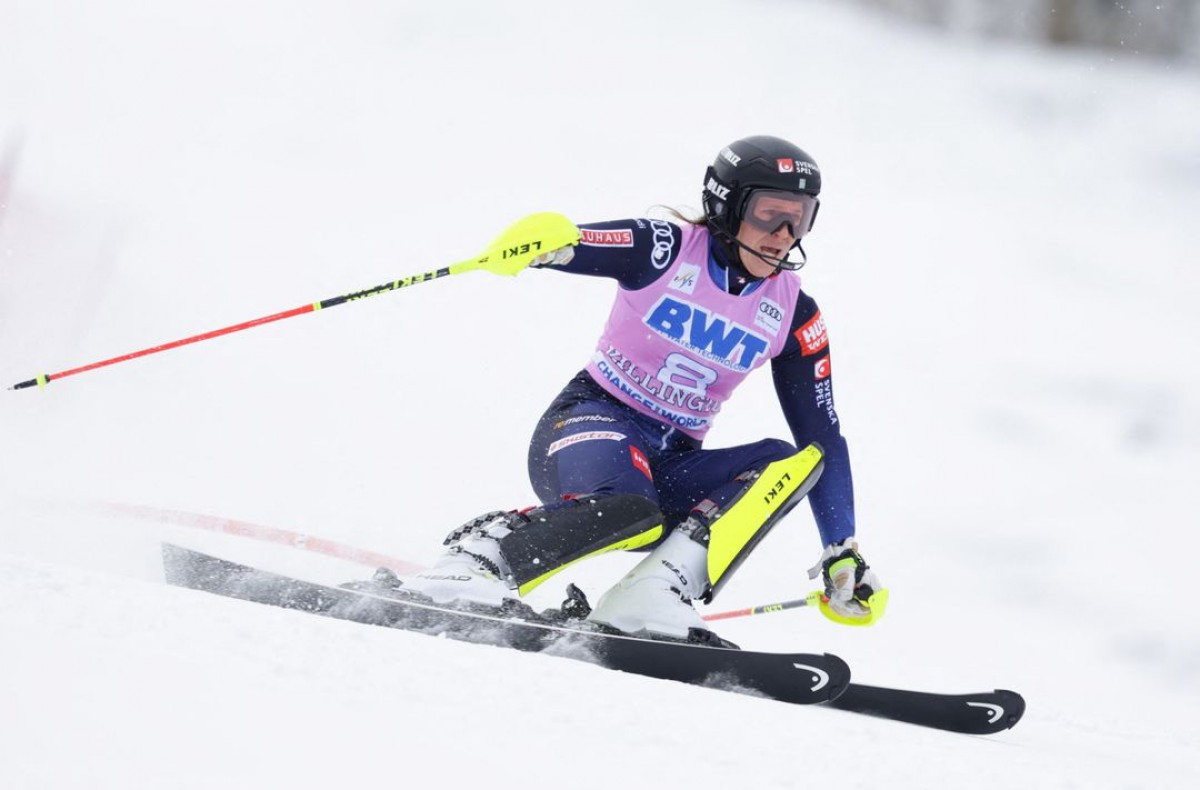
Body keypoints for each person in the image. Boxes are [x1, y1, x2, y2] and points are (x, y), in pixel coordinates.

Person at [402, 135, 884, 642]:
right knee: (632, 507)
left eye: (800, 219)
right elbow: (579, 242)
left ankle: (654, 591)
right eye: (769, 214)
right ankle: (477, 559)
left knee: (787, 462)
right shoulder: (665, 249)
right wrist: (545, 245)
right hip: (588, 423)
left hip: (668, 465)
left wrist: (841, 549)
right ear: (727, 205)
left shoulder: (794, 314)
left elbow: (822, 435)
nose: (784, 235)